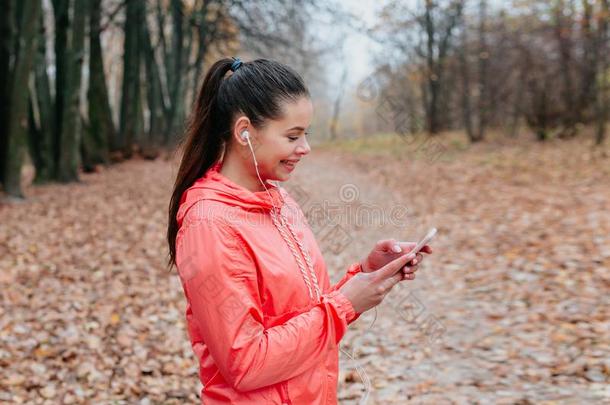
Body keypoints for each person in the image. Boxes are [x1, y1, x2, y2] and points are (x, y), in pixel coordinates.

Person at [166, 57, 433, 404]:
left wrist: (366, 273)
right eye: (293, 136)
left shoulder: (280, 201)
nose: (305, 147)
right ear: (244, 131)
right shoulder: (210, 225)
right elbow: (246, 363)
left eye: (306, 133)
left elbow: (303, 315)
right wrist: (344, 306)